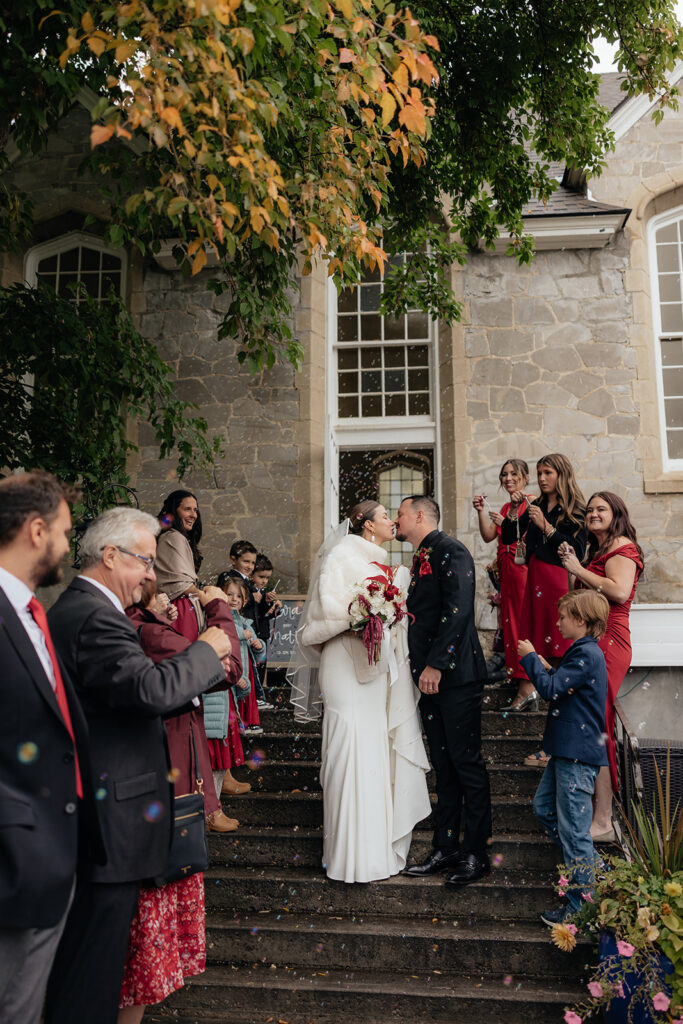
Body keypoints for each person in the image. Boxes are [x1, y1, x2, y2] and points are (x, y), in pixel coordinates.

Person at [44, 507, 231, 1024]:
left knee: (100, 976)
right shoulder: (93, 615)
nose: (152, 574)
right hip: (110, 827)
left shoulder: (82, 610)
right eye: (145, 561)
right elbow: (150, 691)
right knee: (91, 982)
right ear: (110, 556)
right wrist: (207, 651)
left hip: (107, 818)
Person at [0, 471, 104, 1024]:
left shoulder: (31, 613)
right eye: (65, 532)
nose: (69, 545)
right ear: (36, 531)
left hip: (52, 860)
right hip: (15, 864)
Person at [117, 579, 242, 1023]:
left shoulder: (152, 629)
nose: (174, 599)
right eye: (164, 588)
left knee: (146, 955)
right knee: (143, 953)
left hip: (175, 789)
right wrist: (220, 608)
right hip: (166, 797)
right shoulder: (149, 632)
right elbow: (230, 669)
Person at [291, 500, 430, 883]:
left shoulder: (389, 567)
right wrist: (362, 615)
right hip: (342, 665)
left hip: (373, 668)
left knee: (372, 751)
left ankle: (373, 856)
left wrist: (386, 617)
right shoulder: (341, 555)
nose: (391, 521)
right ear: (366, 525)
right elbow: (321, 617)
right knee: (345, 749)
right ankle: (343, 857)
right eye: (385, 516)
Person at [396, 495, 492, 886]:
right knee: (444, 764)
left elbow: (459, 610)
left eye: (400, 513)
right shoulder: (423, 557)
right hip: (429, 679)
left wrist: (436, 663)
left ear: (420, 515)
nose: (397, 519)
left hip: (456, 676)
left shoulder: (453, 551)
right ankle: (447, 845)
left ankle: (477, 853)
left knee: (467, 763)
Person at [518, 589, 609, 925]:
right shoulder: (581, 652)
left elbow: (551, 690)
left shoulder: (586, 654)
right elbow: (562, 683)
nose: (557, 623)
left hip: (575, 755)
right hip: (564, 752)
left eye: (562, 617)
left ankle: (581, 908)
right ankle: (594, 865)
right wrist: (544, 664)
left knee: (574, 833)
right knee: (543, 809)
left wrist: (529, 659)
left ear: (581, 620)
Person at [558, 492, 644, 843]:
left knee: (599, 724)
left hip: (610, 643)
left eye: (601, 509)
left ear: (616, 514)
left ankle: (605, 818)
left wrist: (578, 569)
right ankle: (597, 808)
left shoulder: (623, 546)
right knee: (592, 721)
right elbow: (582, 596)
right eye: (590, 509)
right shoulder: (596, 550)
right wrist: (572, 569)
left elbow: (620, 592)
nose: (593, 514)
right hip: (592, 641)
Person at [500, 453, 587, 765]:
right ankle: (532, 691)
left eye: (546, 472)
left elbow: (577, 549)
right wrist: (514, 508)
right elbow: (509, 536)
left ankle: (559, 738)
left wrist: (547, 528)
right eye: (538, 472)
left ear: (560, 474)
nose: (540, 478)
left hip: (556, 581)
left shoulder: (576, 508)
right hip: (534, 579)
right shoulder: (536, 507)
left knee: (557, 653)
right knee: (536, 646)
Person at [473, 458, 536, 708]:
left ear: (526, 477)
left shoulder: (531, 503)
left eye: (514, 474)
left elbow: (531, 537)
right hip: (506, 571)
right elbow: (489, 536)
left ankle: (527, 682)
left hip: (521, 570)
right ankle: (514, 675)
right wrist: (480, 512)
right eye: (504, 474)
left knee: (521, 623)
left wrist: (507, 525)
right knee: (508, 624)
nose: (508, 478)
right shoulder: (506, 506)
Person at [155, 490, 205, 641]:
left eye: (195, 510)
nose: (193, 515)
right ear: (174, 511)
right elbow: (182, 585)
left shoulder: (178, 538)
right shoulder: (173, 537)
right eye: (187, 509)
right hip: (178, 611)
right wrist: (208, 598)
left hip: (181, 608)